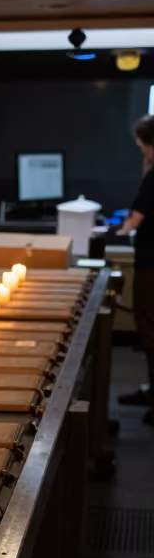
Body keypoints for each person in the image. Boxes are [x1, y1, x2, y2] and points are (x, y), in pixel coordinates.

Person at [117, 114, 154, 422]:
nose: (143, 152)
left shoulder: (153, 177)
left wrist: (120, 229)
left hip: (150, 268)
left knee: (151, 333)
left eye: (144, 146)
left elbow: (135, 220)